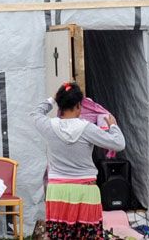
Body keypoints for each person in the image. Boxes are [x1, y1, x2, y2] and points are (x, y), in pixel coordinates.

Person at [31, 82, 126, 240]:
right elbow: (119, 143)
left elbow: (35, 113)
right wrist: (113, 126)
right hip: (85, 190)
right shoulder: (87, 128)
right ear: (77, 106)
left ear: (60, 105)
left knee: (59, 236)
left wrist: (54, 98)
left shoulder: (48, 126)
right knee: (87, 235)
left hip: (57, 191)